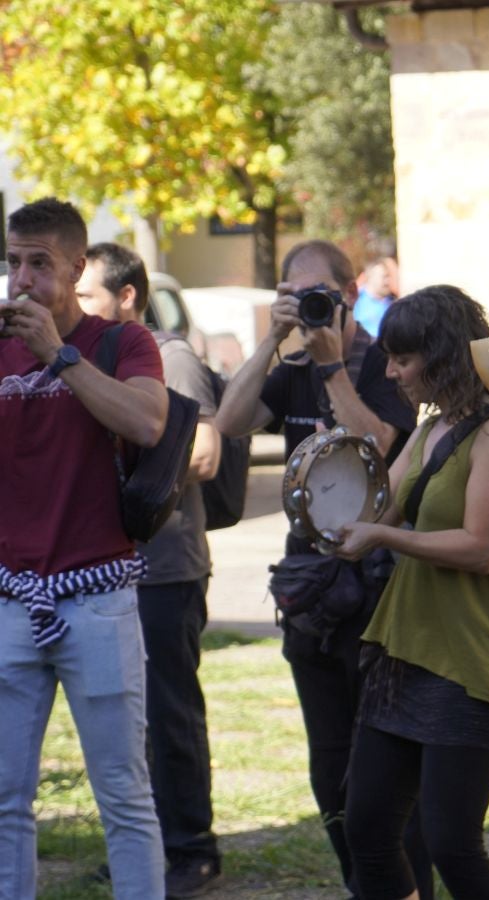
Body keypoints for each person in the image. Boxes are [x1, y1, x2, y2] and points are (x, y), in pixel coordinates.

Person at [214, 240, 422, 896]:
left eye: (322, 296)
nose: (312, 308)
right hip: (311, 592)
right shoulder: (294, 362)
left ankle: (404, 886)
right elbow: (228, 421)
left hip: (378, 591)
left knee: (383, 771)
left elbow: (380, 451)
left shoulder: (383, 366)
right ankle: (364, 883)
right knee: (327, 766)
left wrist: (333, 369)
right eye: (297, 295)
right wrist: (272, 341)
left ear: (351, 291)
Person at [0, 199, 168, 898]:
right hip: (11, 598)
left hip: (97, 598)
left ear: (75, 268)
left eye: (40, 263)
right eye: (13, 262)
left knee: (123, 799)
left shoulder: (122, 344)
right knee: (5, 804)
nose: (23, 279)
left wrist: (57, 356)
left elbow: (148, 424)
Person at [333, 286, 489, 899]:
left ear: (441, 355)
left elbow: (479, 548)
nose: (391, 373)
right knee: (366, 829)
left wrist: (385, 535)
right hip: (403, 650)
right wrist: (327, 510)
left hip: (468, 662)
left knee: (452, 845)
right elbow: (378, 500)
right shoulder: (432, 427)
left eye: (403, 359)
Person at [74, 243, 224, 898]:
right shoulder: (94, 359)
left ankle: (192, 849)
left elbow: (206, 453)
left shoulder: (171, 355)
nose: (73, 309)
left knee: (169, 715)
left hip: (166, 566)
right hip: (112, 569)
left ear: (127, 296)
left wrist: (124, 448)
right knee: (127, 719)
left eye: (86, 297)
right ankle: (146, 841)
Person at [352, 257, 397, 338]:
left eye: (388, 277)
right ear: (371, 277)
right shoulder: (355, 300)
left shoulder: (393, 302)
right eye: (384, 277)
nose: (387, 281)